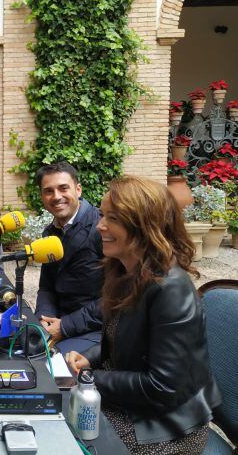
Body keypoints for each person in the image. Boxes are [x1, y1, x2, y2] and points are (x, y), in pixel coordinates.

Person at [67, 176, 221, 453]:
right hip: (131, 405)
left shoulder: (171, 289)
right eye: (102, 215)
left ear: (143, 226)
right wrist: (88, 360)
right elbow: (121, 341)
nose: (100, 226)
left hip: (165, 427)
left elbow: (162, 387)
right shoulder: (125, 272)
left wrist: (92, 379)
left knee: (70, 440)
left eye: (112, 218)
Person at [33, 162, 103, 354]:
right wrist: (43, 319)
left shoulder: (102, 230)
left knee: (51, 367)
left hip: (96, 328)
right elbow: (47, 286)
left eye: (63, 188)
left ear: (78, 189)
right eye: (48, 191)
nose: (56, 197)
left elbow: (117, 298)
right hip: (59, 323)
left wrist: (65, 327)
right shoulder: (50, 233)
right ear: (42, 197)